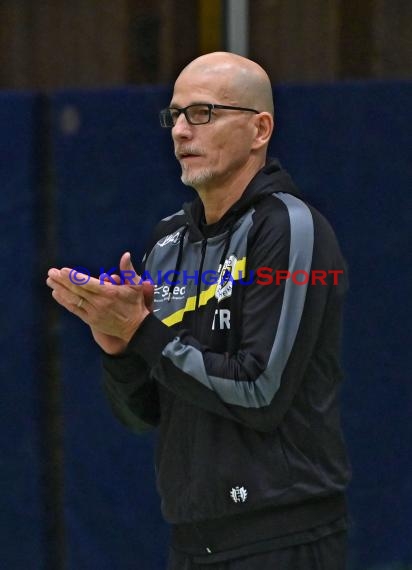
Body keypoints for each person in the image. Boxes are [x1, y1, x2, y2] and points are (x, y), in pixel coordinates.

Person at [47, 52, 351, 569]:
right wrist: (118, 347)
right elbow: (145, 414)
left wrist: (141, 329)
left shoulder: (289, 228)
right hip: (192, 540)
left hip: (282, 539)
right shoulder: (168, 241)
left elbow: (259, 392)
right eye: (175, 115)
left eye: (203, 113)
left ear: (260, 129)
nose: (181, 132)